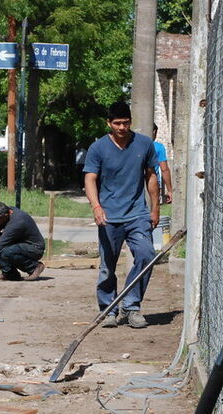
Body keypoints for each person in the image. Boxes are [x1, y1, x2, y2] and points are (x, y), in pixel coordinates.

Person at [83, 102, 160, 329]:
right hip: (109, 216)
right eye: (117, 123)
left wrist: (155, 208)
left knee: (146, 255)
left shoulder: (144, 144)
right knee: (108, 265)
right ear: (109, 123)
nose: (122, 127)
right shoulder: (98, 148)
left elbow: (151, 177)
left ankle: (132, 306)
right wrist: (96, 207)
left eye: (125, 122)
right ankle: (109, 309)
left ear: (130, 122)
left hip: (137, 214)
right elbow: (90, 179)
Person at [152, 124, 173, 203]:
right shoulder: (159, 147)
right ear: (154, 132)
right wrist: (170, 190)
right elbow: (164, 169)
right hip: (154, 184)